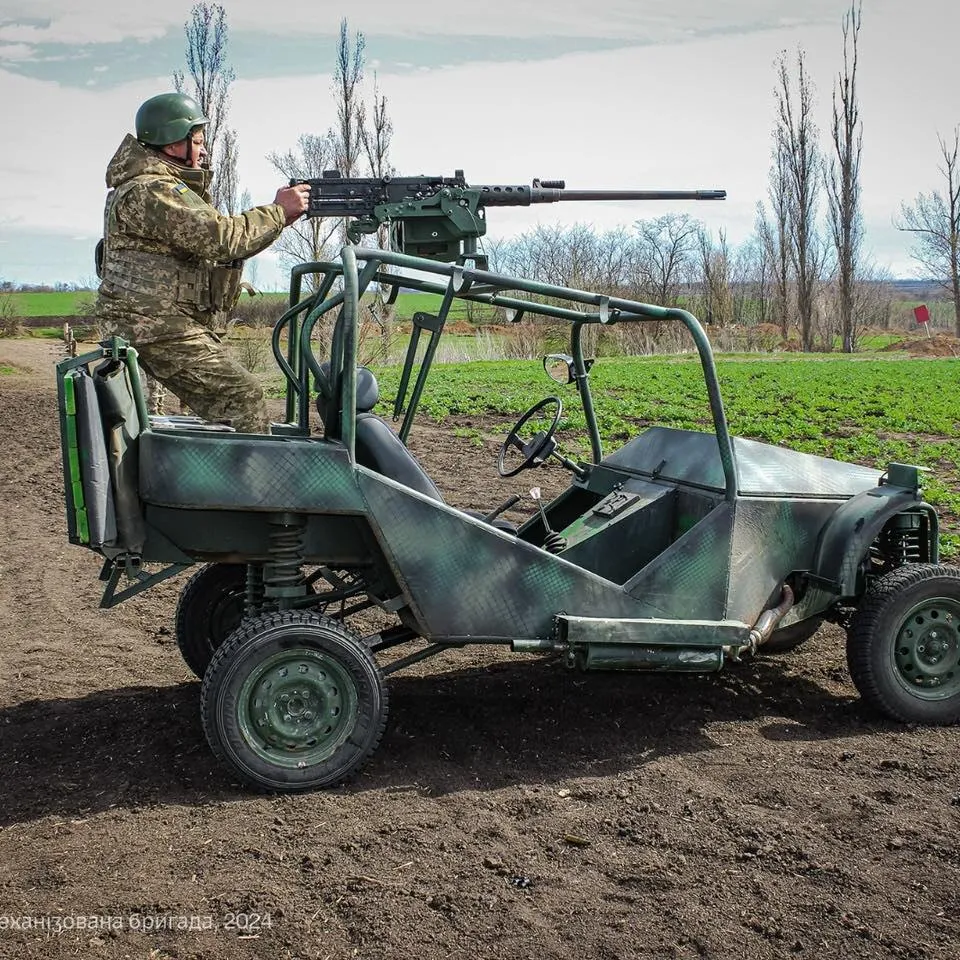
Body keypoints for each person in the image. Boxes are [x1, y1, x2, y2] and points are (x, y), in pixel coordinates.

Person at [95, 91, 310, 433]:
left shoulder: (151, 188)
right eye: (197, 140)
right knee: (242, 396)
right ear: (171, 144)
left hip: (157, 324)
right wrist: (278, 212)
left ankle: (219, 476)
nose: (204, 149)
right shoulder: (152, 190)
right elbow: (221, 238)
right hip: (153, 327)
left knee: (231, 402)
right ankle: (249, 485)